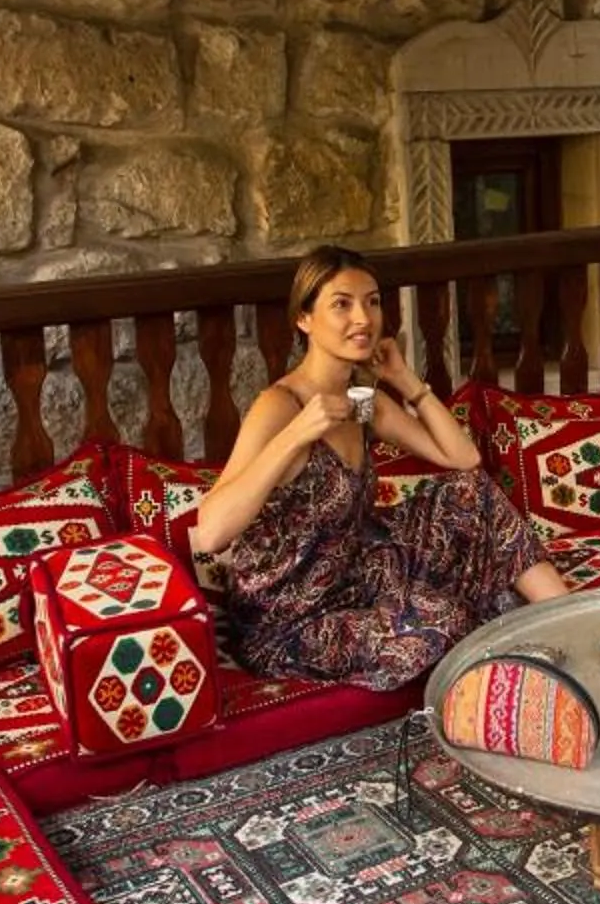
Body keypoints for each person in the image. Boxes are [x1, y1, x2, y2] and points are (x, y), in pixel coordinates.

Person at [192, 245, 570, 689]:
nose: (364, 318)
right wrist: (297, 433)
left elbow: (462, 458)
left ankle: (569, 624)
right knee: (444, 619)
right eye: (341, 304)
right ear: (304, 319)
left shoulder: (360, 401)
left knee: (469, 493)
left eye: (372, 301)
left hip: (358, 575)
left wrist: (405, 380)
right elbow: (213, 529)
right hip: (290, 619)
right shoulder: (279, 405)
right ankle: (516, 677)